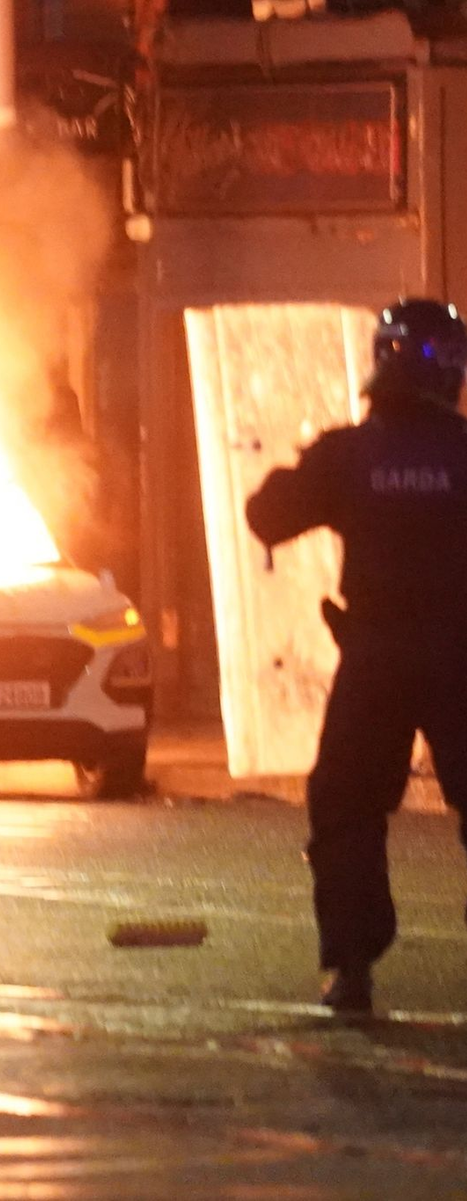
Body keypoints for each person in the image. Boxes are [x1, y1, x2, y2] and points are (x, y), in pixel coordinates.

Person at [246, 298, 467, 1014]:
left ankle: (350, 964)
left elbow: (266, 513)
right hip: (461, 654)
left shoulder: (350, 454)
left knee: (345, 804)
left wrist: (312, 464)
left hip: (375, 655)